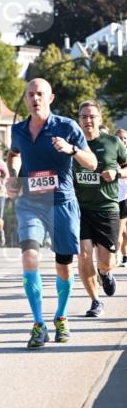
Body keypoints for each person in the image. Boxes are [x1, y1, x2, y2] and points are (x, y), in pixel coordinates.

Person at [6, 78, 96, 348]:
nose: (35, 98)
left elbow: (91, 163)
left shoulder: (67, 126)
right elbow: (13, 154)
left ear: (50, 98)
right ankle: (38, 324)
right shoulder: (19, 130)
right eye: (31, 94)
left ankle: (61, 316)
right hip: (31, 203)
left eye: (40, 94)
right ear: (25, 99)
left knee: (64, 265)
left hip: (62, 203)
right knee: (30, 256)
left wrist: (72, 149)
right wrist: (12, 175)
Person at [74, 103, 127, 317]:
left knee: (106, 260)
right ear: (79, 119)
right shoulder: (73, 145)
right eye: (84, 116)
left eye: (92, 116)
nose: (88, 120)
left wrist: (116, 174)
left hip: (107, 208)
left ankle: (105, 273)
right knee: (84, 254)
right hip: (80, 209)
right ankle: (95, 301)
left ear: (99, 118)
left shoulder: (113, 142)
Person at [116, 129, 127, 267]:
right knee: (122, 231)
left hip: (124, 198)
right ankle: (123, 256)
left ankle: (116, 257)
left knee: (120, 231)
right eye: (119, 138)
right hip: (114, 197)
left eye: (125, 138)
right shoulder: (111, 155)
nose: (122, 140)